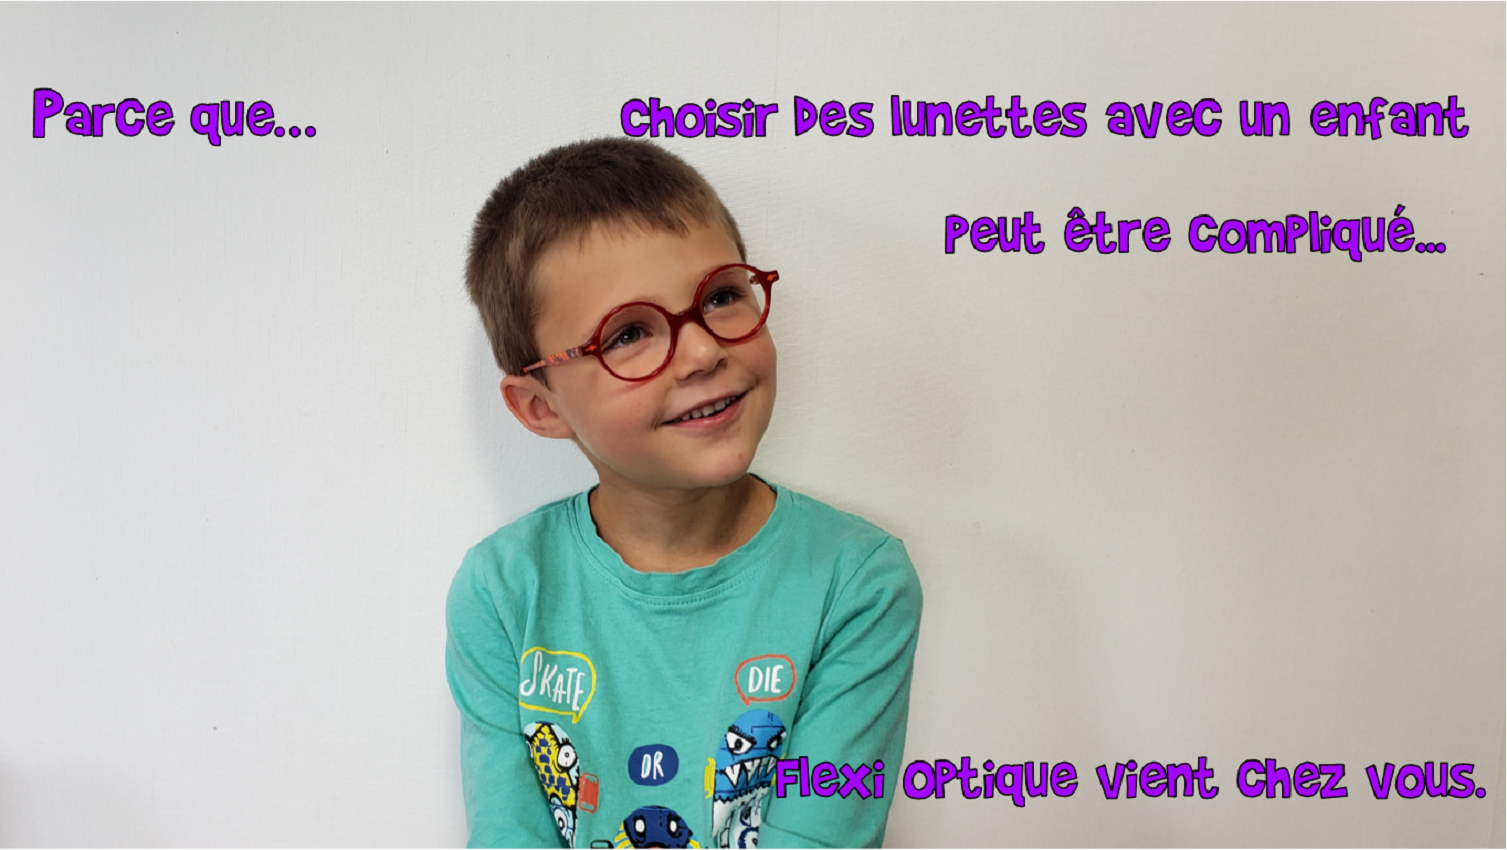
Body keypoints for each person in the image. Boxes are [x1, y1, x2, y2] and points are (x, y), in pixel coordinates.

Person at [447, 137, 922, 849]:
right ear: (541, 406)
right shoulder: (502, 589)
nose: (703, 351)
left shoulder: (858, 582)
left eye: (721, 297)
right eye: (628, 334)